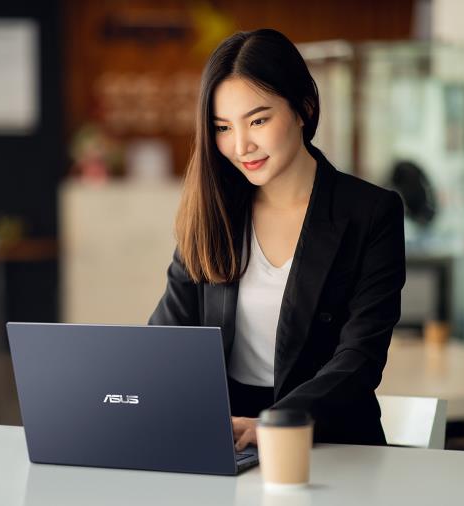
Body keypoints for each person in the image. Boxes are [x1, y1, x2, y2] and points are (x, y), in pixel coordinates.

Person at [149, 28, 405, 450]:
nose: (240, 145)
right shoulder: (213, 211)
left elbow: (359, 360)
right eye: (222, 127)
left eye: (259, 120)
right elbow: (166, 342)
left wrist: (276, 422)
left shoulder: (370, 213)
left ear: (303, 108)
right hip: (225, 436)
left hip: (328, 437)